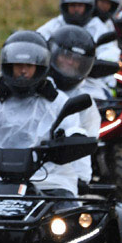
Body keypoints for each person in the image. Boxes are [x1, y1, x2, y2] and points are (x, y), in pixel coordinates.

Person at [0, 31, 84, 196]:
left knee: (69, 215)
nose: (23, 71)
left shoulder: (58, 101)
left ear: (40, 67)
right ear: (9, 65)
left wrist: (75, 138)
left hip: (48, 180)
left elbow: (72, 129)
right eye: (18, 65)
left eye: (29, 66)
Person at [45, 26, 104, 189]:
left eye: (77, 59)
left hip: (58, 175)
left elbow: (84, 144)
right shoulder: (33, 88)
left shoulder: (84, 103)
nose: (70, 62)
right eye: (66, 56)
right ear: (53, 54)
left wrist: (80, 177)